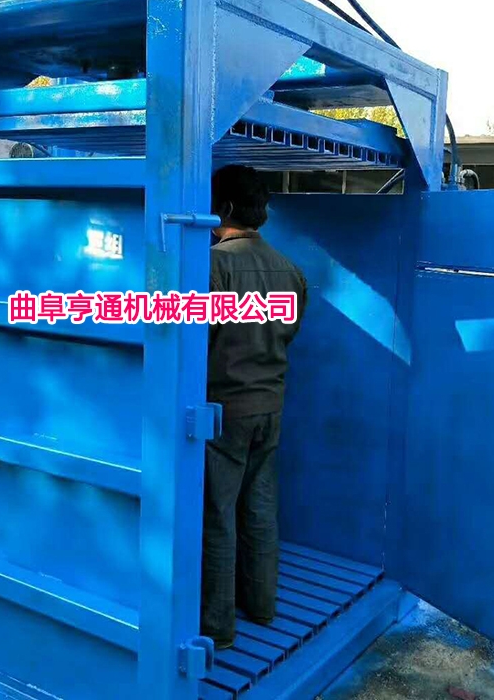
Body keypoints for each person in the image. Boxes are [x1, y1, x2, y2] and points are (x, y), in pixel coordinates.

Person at [202, 165, 308, 650]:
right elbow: (289, 332)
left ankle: (217, 629)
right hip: (271, 407)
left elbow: (194, 339)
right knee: (260, 507)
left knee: (217, 515)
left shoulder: (213, 266)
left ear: (222, 207)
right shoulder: (290, 270)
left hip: (225, 411)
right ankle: (262, 606)